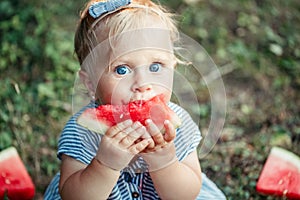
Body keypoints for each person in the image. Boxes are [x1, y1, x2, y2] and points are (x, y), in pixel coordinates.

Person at [44, 0, 226, 199]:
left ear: (172, 67)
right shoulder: (81, 131)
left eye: (155, 66)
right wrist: (104, 165)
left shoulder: (178, 126)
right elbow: (73, 196)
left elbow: (185, 194)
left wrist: (166, 162)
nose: (142, 83)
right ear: (90, 84)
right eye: (122, 70)